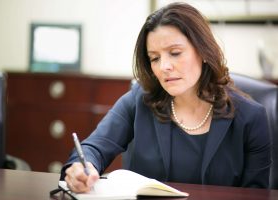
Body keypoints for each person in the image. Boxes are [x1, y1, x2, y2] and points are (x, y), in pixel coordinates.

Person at [61, 2, 271, 192]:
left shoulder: (251, 117)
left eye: (175, 53)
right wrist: (81, 167)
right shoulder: (139, 99)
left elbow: (255, 195)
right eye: (155, 58)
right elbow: (94, 147)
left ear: (204, 51)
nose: (164, 67)